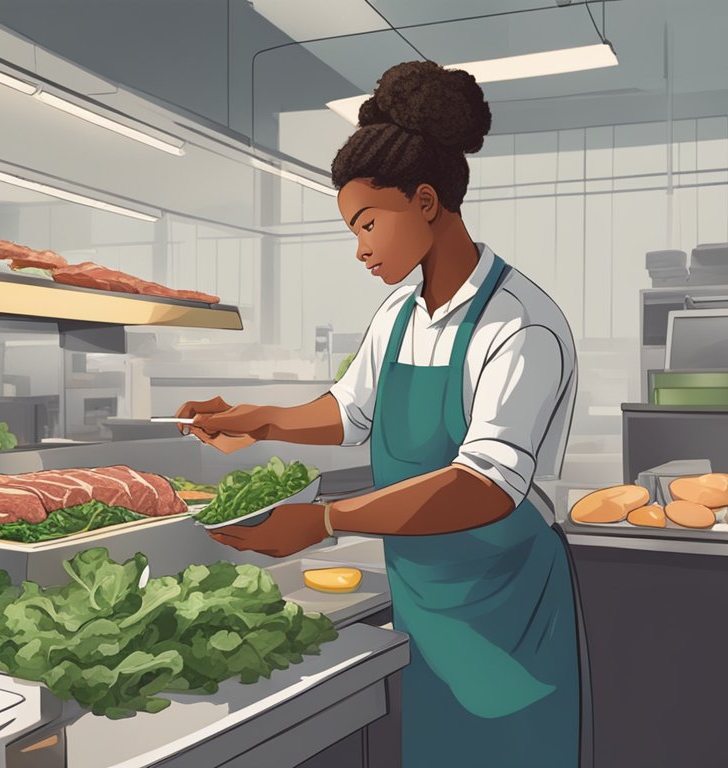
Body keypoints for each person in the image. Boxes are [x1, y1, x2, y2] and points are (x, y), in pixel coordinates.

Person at [177, 61, 581, 768]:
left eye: (368, 223)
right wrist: (259, 420)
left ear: (425, 202)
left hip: (506, 612)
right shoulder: (400, 311)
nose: (360, 247)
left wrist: (327, 520)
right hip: (424, 604)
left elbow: (483, 485)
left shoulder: (519, 326)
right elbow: (349, 410)